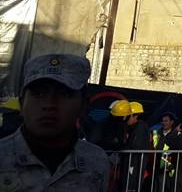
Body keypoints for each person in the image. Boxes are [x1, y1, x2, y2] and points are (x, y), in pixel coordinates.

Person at [0, 53, 109, 190]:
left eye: (64, 94)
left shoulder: (96, 161)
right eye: (38, 94)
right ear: (22, 104)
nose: (49, 104)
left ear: (83, 106)